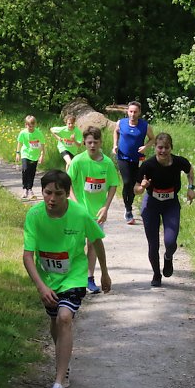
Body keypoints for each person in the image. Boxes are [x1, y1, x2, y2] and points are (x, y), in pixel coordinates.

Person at [23, 169, 111, 388]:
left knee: (64, 318)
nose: (52, 198)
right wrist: (41, 286)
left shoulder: (80, 214)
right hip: (48, 279)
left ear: (66, 194)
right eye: (47, 193)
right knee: (55, 322)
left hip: (73, 276)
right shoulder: (34, 215)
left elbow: (97, 242)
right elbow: (28, 256)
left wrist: (104, 272)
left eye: (58, 194)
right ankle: (63, 363)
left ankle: (59, 384)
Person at [134, 132, 195, 287]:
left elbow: (190, 171)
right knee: (153, 244)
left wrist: (191, 188)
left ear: (171, 148)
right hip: (151, 205)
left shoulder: (179, 162)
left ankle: (168, 257)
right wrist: (142, 187)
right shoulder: (148, 165)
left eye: (166, 148)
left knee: (170, 241)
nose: (163, 151)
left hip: (170, 204)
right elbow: (136, 189)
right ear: (155, 148)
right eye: (160, 147)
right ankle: (156, 274)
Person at [67, 126, 118, 294]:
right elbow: (67, 184)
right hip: (78, 211)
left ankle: (89, 278)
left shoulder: (107, 163)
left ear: (101, 142)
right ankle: (74, 277)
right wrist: (75, 204)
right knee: (77, 244)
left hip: (97, 213)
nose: (92, 146)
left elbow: (112, 185)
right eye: (89, 142)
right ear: (84, 143)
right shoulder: (78, 161)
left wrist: (106, 207)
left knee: (93, 244)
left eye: (95, 142)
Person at [112, 101, 155, 225]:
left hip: (138, 159)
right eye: (130, 111)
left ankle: (129, 205)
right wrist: (115, 145)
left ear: (139, 113)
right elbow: (116, 131)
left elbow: (153, 139)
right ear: (127, 112)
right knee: (126, 182)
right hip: (123, 157)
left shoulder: (145, 126)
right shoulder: (121, 123)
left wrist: (145, 147)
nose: (132, 114)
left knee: (134, 184)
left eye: (135, 112)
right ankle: (128, 209)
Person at [15, 115, 46, 200]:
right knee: (25, 170)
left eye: (32, 126)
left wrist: (42, 155)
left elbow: (42, 144)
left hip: (35, 156)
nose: (31, 128)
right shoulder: (23, 133)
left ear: (35, 125)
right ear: (26, 125)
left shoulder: (38, 133)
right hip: (25, 154)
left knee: (32, 172)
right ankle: (25, 189)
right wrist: (17, 153)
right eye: (29, 126)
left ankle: (30, 189)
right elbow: (19, 142)